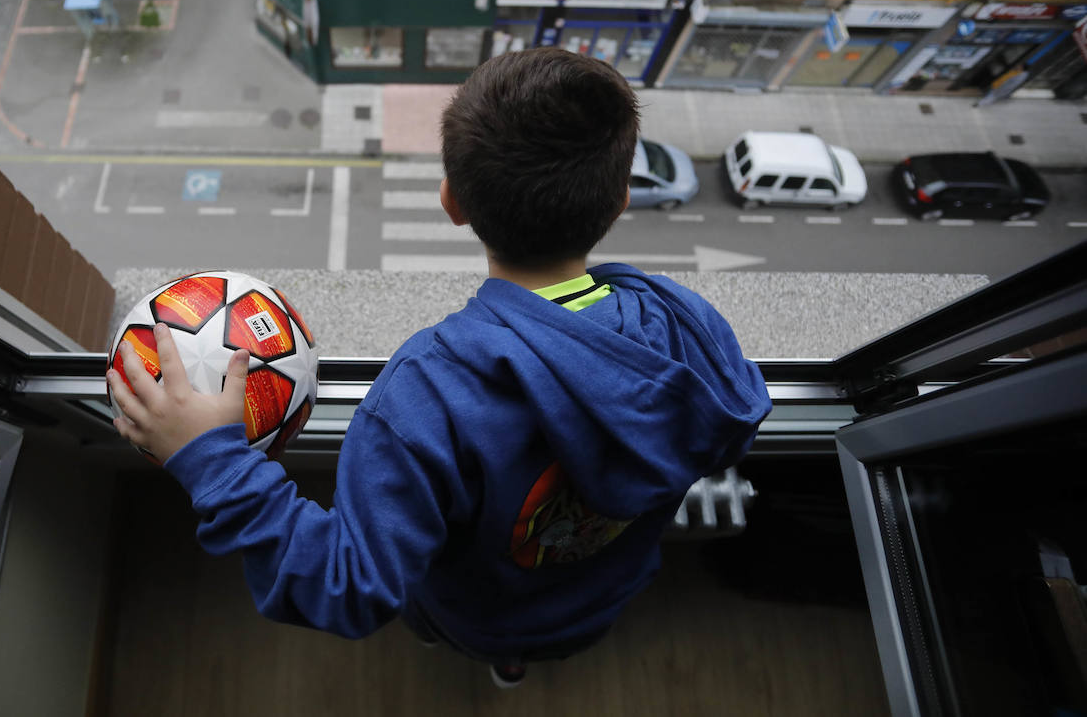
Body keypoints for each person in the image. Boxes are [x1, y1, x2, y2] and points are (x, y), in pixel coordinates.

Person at [108, 48, 772, 689]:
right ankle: (519, 660)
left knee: (470, 631)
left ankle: (502, 659)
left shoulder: (429, 393)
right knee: (554, 632)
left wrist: (213, 460)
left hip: (476, 612)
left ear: (452, 201)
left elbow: (346, 585)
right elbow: (729, 424)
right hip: (607, 591)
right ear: (621, 199)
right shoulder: (685, 324)